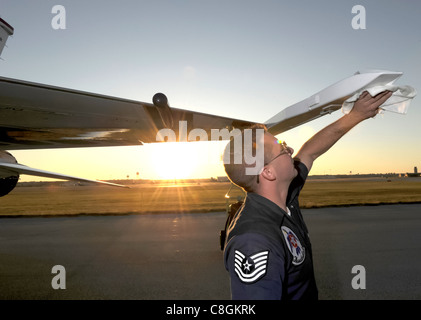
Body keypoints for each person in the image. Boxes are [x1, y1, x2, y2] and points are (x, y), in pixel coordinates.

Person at [223, 90, 392, 300]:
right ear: (267, 172)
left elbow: (310, 150)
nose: (290, 150)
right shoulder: (254, 241)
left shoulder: (285, 196)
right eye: (281, 148)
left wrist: (356, 115)